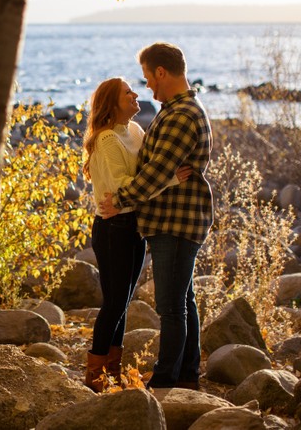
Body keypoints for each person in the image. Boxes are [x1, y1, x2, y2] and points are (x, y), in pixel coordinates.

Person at [100, 42, 213, 391]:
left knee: (170, 307)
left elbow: (156, 171)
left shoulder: (181, 115)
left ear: (162, 72)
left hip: (175, 222)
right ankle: (187, 374)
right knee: (183, 301)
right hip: (171, 220)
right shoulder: (176, 109)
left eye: (148, 77)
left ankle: (165, 381)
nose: (147, 85)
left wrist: (119, 199)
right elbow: (155, 168)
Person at [82, 77, 190, 392]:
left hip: (133, 225)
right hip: (112, 228)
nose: (135, 94)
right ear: (112, 104)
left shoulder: (134, 131)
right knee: (114, 302)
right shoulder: (106, 140)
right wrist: (170, 180)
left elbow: (145, 172)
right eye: (127, 92)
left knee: (123, 302)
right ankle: (94, 375)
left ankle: (112, 372)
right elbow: (119, 187)